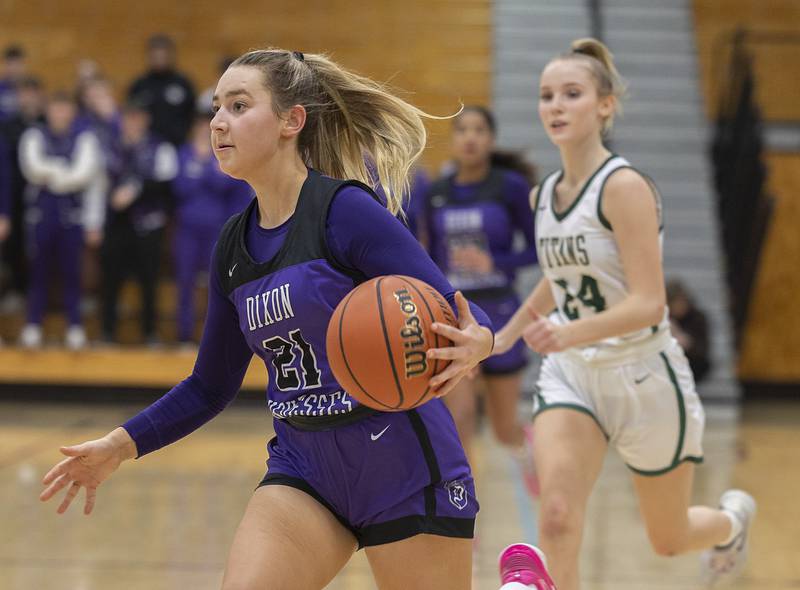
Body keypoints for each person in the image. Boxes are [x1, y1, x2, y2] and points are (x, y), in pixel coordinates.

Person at [40, 48, 495, 590]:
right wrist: (119, 445)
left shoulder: (341, 211)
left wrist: (479, 341)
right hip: (306, 470)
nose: (218, 123)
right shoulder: (232, 244)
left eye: (238, 105)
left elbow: (451, 306)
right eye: (215, 109)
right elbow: (210, 385)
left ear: (290, 121)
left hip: (402, 466)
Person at [492, 39, 755, 589]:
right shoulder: (544, 195)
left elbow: (648, 303)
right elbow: (556, 279)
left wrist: (567, 331)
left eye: (572, 94)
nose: (555, 106)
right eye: (546, 96)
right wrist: (503, 338)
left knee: (669, 539)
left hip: (644, 374)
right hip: (575, 374)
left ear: (605, 105)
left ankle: (731, 523)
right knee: (558, 516)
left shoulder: (624, 186)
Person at [418, 106, 539, 494]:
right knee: (461, 416)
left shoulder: (509, 188)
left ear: (491, 139)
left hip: (501, 313)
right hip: (456, 316)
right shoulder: (436, 193)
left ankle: (532, 454)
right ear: (453, 140)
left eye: (479, 130)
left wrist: (495, 261)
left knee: (505, 429)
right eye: (462, 130)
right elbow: (429, 257)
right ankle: (462, 499)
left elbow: (539, 249)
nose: (470, 137)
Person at [17, 90, 102, 349]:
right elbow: (32, 168)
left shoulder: (85, 137)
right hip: (42, 214)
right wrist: (62, 171)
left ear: (72, 112)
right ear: (48, 111)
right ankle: (33, 325)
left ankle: (75, 326)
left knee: (72, 273)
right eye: (55, 108)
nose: (60, 114)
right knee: (38, 271)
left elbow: (84, 173)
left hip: (72, 215)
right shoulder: (34, 135)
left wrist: (53, 174)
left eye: (64, 109)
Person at [99, 99, 177, 345]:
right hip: (116, 224)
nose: (133, 123)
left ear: (146, 120)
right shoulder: (110, 146)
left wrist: (135, 189)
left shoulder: (160, 148)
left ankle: (150, 333)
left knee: (149, 281)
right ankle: (107, 333)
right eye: (129, 118)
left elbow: (166, 182)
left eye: (138, 118)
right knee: (111, 280)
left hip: (148, 224)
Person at [171, 111, 251, 344]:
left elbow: (224, 183)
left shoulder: (222, 154)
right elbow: (180, 187)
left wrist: (203, 166)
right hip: (187, 229)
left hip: (216, 229)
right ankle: (183, 335)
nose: (201, 133)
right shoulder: (184, 153)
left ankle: (214, 338)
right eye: (197, 128)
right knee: (184, 280)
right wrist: (205, 170)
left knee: (218, 284)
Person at [127, 34, 196, 146]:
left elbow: (193, 115)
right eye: (156, 55)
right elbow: (130, 115)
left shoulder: (183, 84)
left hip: (177, 145)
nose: (159, 58)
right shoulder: (139, 85)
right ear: (149, 56)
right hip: (146, 147)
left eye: (163, 54)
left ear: (170, 55)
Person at [667, 279, 711, 383]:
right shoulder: (664, 319)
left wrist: (686, 341)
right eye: (675, 302)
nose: (679, 306)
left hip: (693, 361)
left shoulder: (698, 317)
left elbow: (703, 348)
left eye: (681, 301)